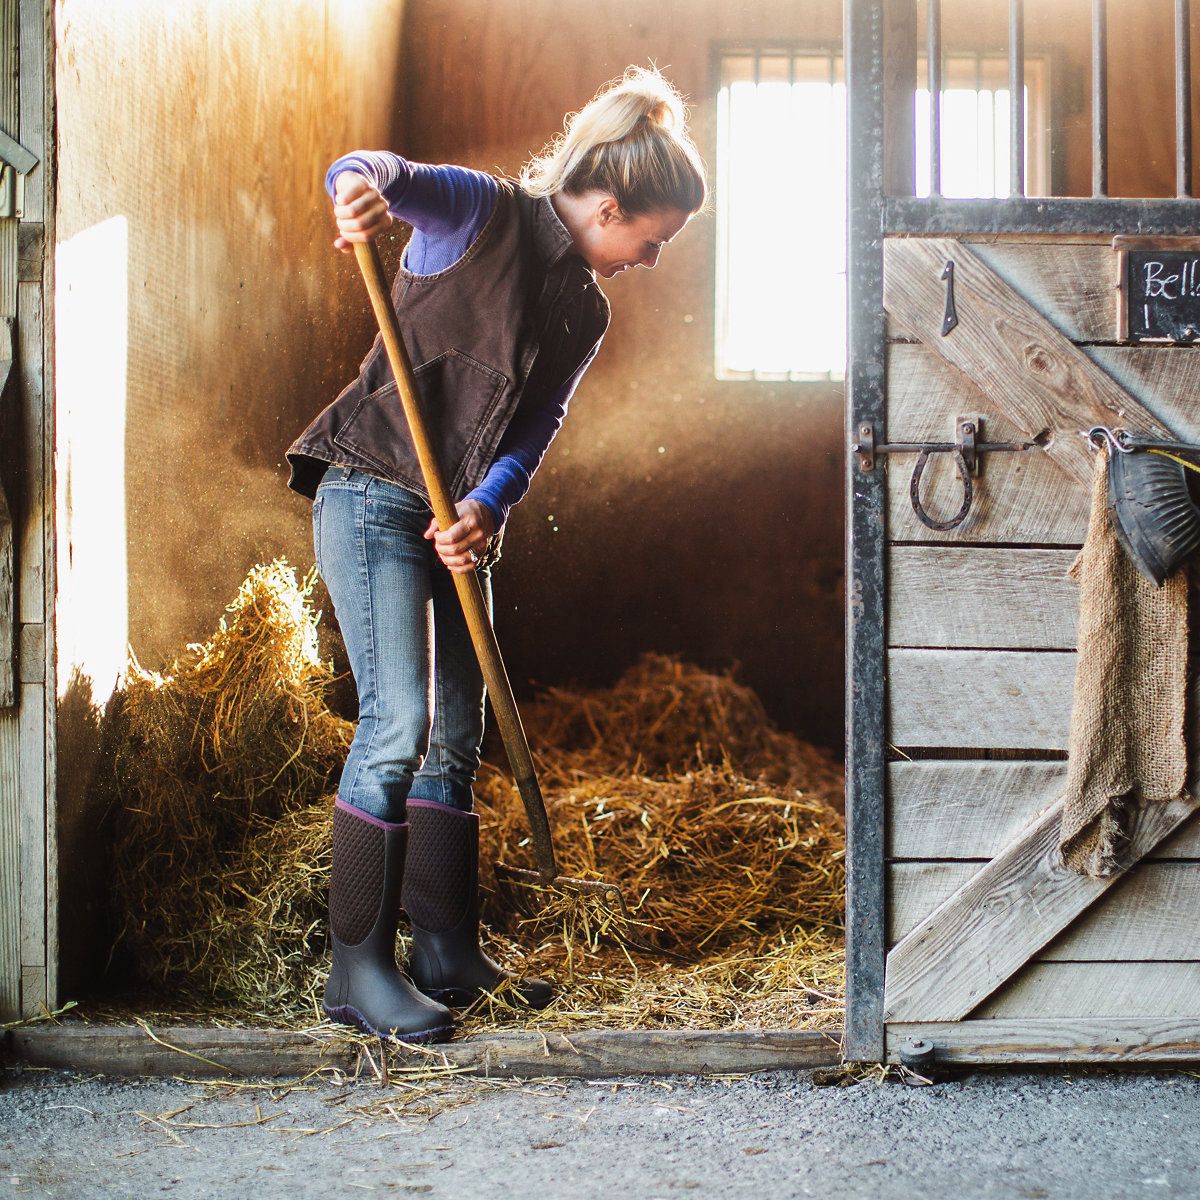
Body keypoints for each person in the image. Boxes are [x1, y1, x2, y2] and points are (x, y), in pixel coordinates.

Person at [285, 66, 706, 1042]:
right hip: (371, 492)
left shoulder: (584, 311)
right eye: (652, 238)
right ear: (609, 206)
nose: (650, 259)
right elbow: (379, 169)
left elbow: (533, 431)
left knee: (456, 738)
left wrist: (483, 504)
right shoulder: (479, 213)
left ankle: (444, 951)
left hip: (454, 525)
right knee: (398, 724)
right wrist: (355, 186)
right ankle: (358, 971)